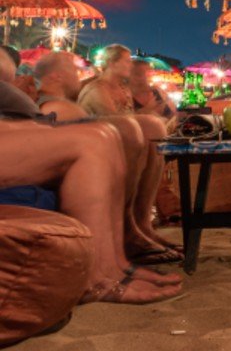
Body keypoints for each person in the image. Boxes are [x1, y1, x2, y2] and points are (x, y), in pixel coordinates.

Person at [0, 50, 183, 303]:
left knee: (106, 135)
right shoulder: (91, 91)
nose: (78, 73)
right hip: (26, 120)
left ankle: (117, 261)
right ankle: (97, 277)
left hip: (21, 119)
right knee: (93, 140)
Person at [33, 51, 180, 264]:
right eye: (73, 69)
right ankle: (127, 228)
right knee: (134, 127)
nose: (80, 73)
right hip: (69, 150)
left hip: (79, 138)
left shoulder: (88, 94)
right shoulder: (54, 103)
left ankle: (142, 225)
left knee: (151, 127)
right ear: (56, 76)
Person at [127, 58, 176, 124]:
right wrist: (146, 111)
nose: (148, 77)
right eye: (139, 74)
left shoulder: (158, 91)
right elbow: (128, 122)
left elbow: (174, 114)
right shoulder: (126, 97)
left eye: (150, 73)